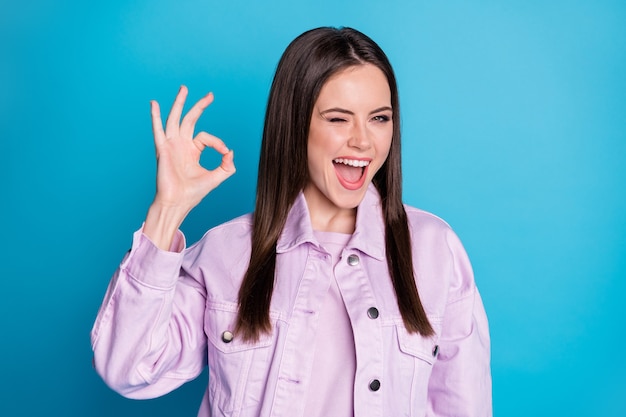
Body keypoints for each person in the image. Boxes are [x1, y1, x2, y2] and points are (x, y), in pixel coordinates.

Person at [91, 27, 492, 417]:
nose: (363, 141)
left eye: (379, 118)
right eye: (338, 119)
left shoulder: (435, 251)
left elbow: (463, 404)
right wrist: (167, 210)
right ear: (295, 124)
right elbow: (127, 369)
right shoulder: (227, 252)